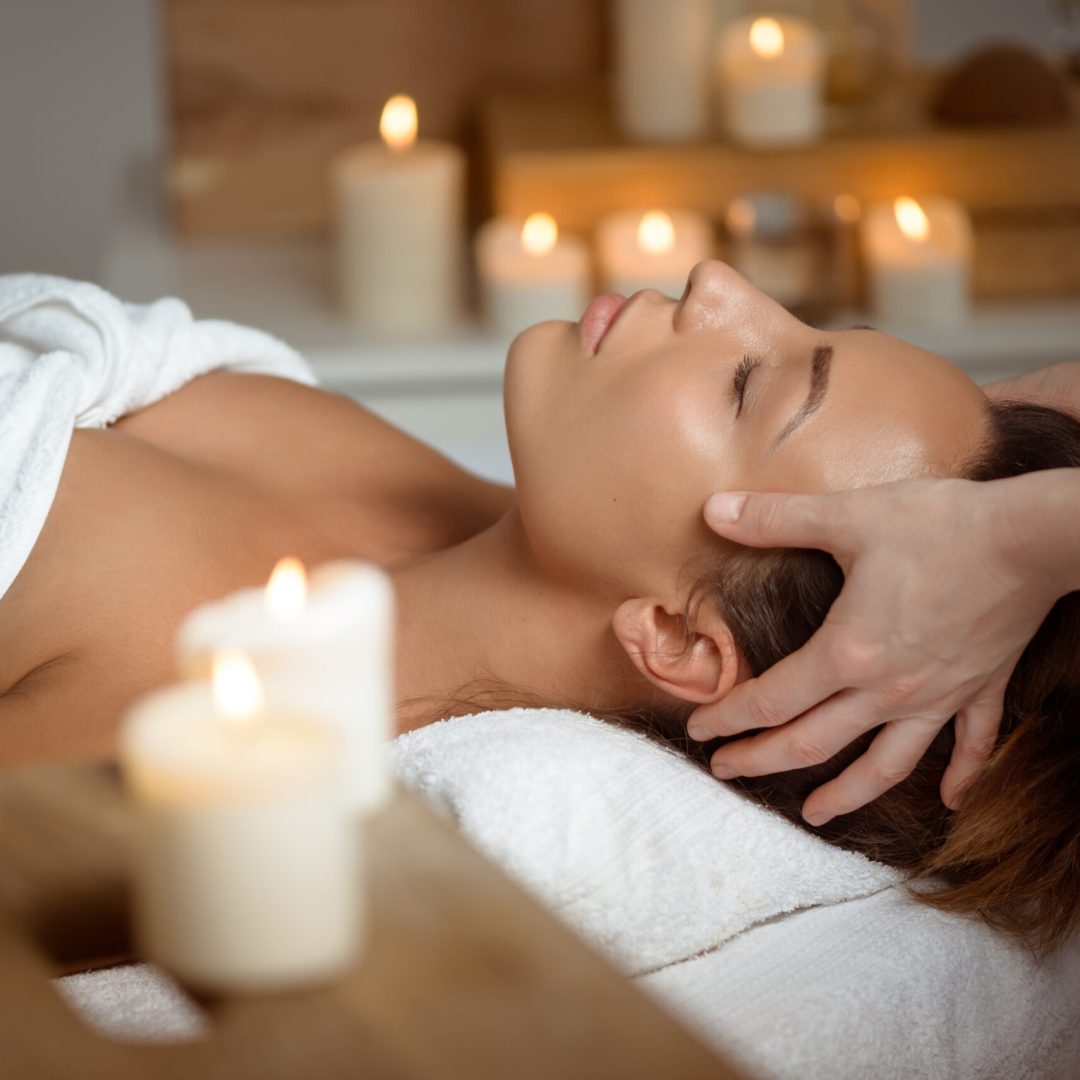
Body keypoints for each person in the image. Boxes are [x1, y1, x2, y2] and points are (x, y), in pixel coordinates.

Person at [0, 260, 1076, 952]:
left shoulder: (205, 718)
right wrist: (1024, 524)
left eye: (749, 384)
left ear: (676, 639)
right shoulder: (440, 516)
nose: (718, 286)